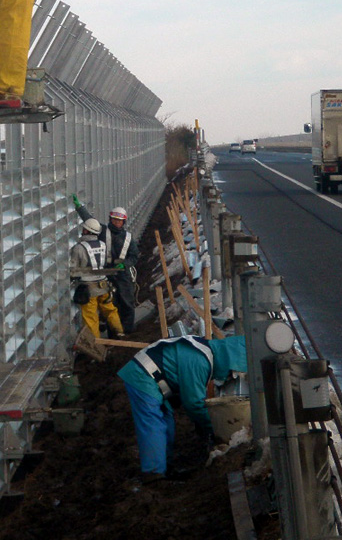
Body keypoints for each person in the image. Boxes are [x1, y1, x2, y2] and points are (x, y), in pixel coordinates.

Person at [117, 335, 248, 482]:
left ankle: (165, 468)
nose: (228, 376)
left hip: (151, 377)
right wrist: (215, 429)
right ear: (228, 362)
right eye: (231, 372)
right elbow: (194, 404)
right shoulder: (200, 362)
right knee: (153, 423)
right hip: (142, 376)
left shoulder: (203, 353)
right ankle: (153, 473)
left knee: (167, 423)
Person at [71, 194, 139, 333]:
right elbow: (90, 221)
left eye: (119, 221)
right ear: (110, 219)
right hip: (105, 272)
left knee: (127, 302)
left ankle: (127, 333)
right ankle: (114, 333)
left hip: (121, 273)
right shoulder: (103, 231)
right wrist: (79, 207)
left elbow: (134, 256)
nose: (116, 223)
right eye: (114, 220)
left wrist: (124, 264)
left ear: (123, 223)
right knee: (110, 304)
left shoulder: (128, 238)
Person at [70, 218, 125, 339]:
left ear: (86, 231)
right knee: (110, 310)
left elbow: (73, 270)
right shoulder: (103, 245)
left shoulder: (78, 248)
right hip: (104, 285)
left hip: (88, 289)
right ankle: (120, 333)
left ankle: (96, 346)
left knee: (91, 318)